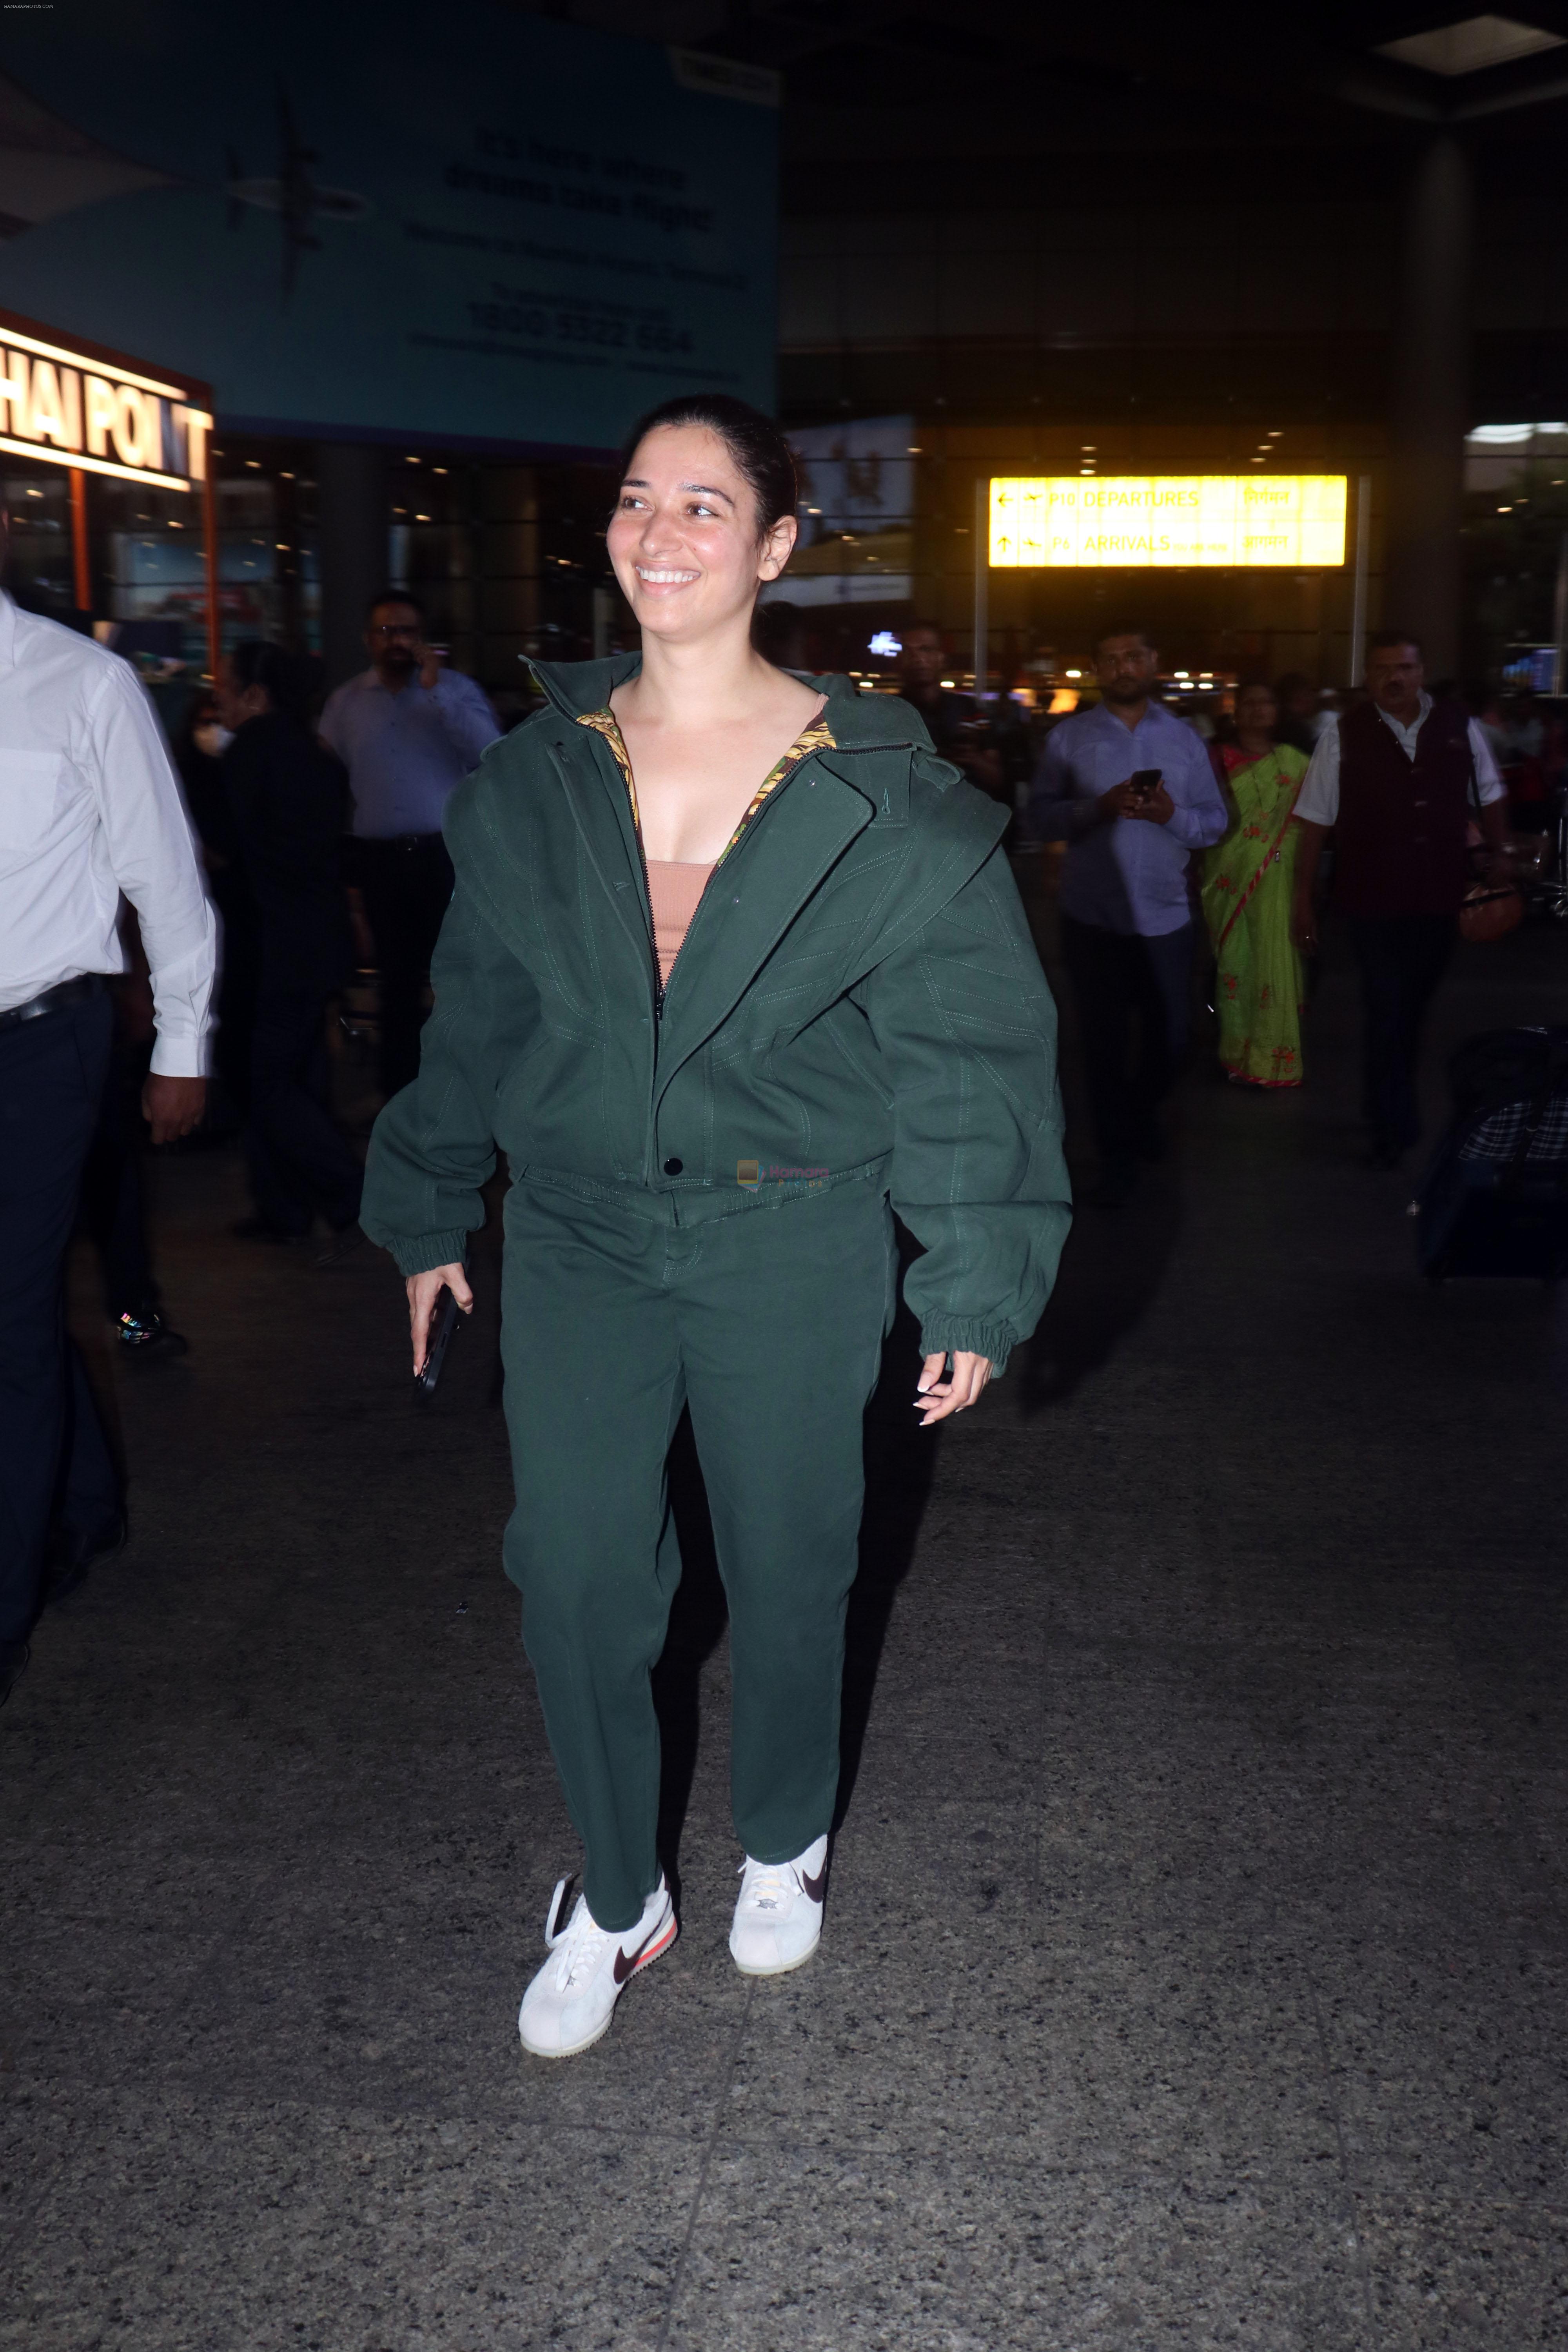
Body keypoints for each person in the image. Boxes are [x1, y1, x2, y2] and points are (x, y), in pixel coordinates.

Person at [360, 392, 1071, 2059]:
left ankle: (781, 1828)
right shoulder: (535, 773)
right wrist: (424, 1200)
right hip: (589, 1229)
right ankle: (618, 1893)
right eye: (632, 499)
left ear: (767, 545)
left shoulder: (883, 791)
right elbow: (469, 1010)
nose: (656, 532)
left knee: (791, 1544)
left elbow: (965, 1046)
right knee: (579, 1567)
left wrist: (970, 1264)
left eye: (700, 505)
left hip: (791, 1229)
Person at [0, 559, 214, 1704]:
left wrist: (182, 1046)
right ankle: (84, 1499)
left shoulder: (79, 682)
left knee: (7, 1312)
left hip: (45, 1038)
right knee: (16, 1311)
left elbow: (162, 874)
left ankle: (8, 1600)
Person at [1292, 630, 1510, 1169]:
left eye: (1405, 668)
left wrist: (1502, 859)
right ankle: (1394, 1121)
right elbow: (1315, 820)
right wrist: (1303, 899)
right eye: (1384, 669)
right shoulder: (1344, 733)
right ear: (1369, 676)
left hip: (1439, 894)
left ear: (1421, 672)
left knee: (1409, 1009)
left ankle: (1382, 1100)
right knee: (1387, 1005)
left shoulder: (1459, 725)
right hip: (1370, 898)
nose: (1396, 678)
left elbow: (1492, 791)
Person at [1028, 623, 1228, 1201]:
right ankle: (1117, 1153)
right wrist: (1098, 807)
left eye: (1133, 657)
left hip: (1166, 918)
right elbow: (1040, 818)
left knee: (1174, 1039)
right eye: (1111, 660)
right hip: (1094, 918)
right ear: (1096, 670)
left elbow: (1214, 822)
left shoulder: (1187, 740)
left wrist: (1170, 816)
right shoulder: (1069, 739)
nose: (1123, 668)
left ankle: (1139, 1116)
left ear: (1153, 662)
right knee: (1104, 1045)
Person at [319, 594, 499, 1098]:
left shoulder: (456, 692)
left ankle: (463, 1095)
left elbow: (489, 754)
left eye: (405, 631)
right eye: (385, 631)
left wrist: (434, 690)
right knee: (396, 985)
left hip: (445, 856)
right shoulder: (347, 702)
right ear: (368, 639)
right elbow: (324, 771)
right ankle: (398, 1098)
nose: (395, 640)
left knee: (457, 978)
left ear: (422, 639)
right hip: (377, 861)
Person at [220, 642, 362, 1254]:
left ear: (256, 694)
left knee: (263, 1080)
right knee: (299, 1074)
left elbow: (228, 845)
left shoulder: (251, 754)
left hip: (270, 941)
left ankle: (346, 1192)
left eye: (226, 685)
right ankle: (288, 1206)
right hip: (314, 936)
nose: (217, 695)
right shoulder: (314, 753)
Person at [1200, 681, 1309, 1088]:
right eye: (1250, 704)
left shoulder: (1296, 763)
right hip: (1227, 880)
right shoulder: (1215, 760)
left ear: (1277, 712)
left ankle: (1270, 1060)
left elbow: (1306, 827)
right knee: (1234, 965)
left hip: (1278, 881)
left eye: (1267, 702)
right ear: (1236, 711)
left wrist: (1277, 863)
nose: (1258, 710)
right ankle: (1234, 1054)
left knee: (1271, 963)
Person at [895, 620, 1009, 804]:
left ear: (942, 658)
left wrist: (972, 758)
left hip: (967, 809)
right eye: (908, 651)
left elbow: (998, 778)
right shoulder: (890, 712)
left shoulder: (968, 709)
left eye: (926, 649)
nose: (917, 658)